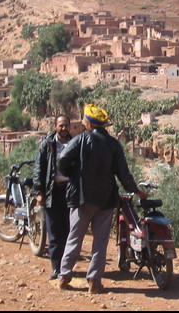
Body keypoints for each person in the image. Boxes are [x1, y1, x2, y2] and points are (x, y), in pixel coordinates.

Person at [56, 104, 148, 294]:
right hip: (106, 200)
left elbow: (62, 160)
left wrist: (73, 173)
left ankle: (64, 275)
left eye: (84, 121)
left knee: (74, 237)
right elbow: (124, 175)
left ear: (89, 123)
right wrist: (136, 191)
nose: (82, 123)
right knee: (100, 242)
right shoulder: (114, 145)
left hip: (82, 199)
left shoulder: (81, 140)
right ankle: (94, 281)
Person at [32, 114, 73, 281]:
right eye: (60, 125)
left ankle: (66, 267)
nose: (63, 128)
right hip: (52, 192)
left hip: (70, 193)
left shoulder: (75, 144)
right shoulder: (47, 145)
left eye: (66, 125)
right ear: (55, 126)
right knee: (54, 231)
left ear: (70, 126)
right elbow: (38, 169)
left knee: (69, 231)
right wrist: (39, 192)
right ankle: (56, 268)